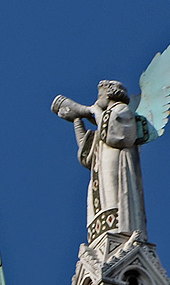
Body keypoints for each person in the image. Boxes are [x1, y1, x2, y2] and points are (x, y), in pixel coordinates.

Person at [52, 81, 155, 241]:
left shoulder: (122, 110)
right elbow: (89, 155)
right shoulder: (105, 119)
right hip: (102, 166)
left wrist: (93, 111)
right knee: (103, 196)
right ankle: (105, 233)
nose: (97, 99)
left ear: (109, 95)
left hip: (117, 162)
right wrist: (77, 119)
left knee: (114, 193)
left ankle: (119, 231)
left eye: (99, 95)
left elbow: (116, 136)